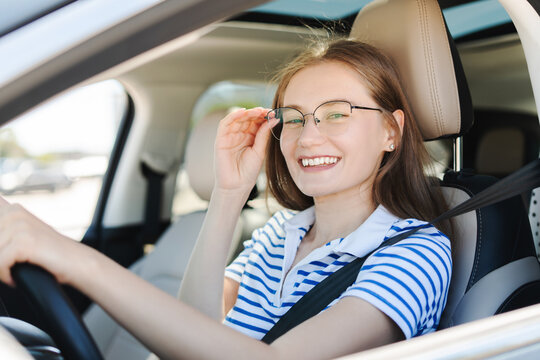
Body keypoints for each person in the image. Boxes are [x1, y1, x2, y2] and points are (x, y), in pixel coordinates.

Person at [0, 39, 452, 359]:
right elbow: (193, 328)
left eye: (336, 114)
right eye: (293, 118)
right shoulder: (283, 232)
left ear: (391, 131)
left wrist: (74, 259)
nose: (308, 137)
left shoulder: (416, 253)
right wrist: (228, 195)